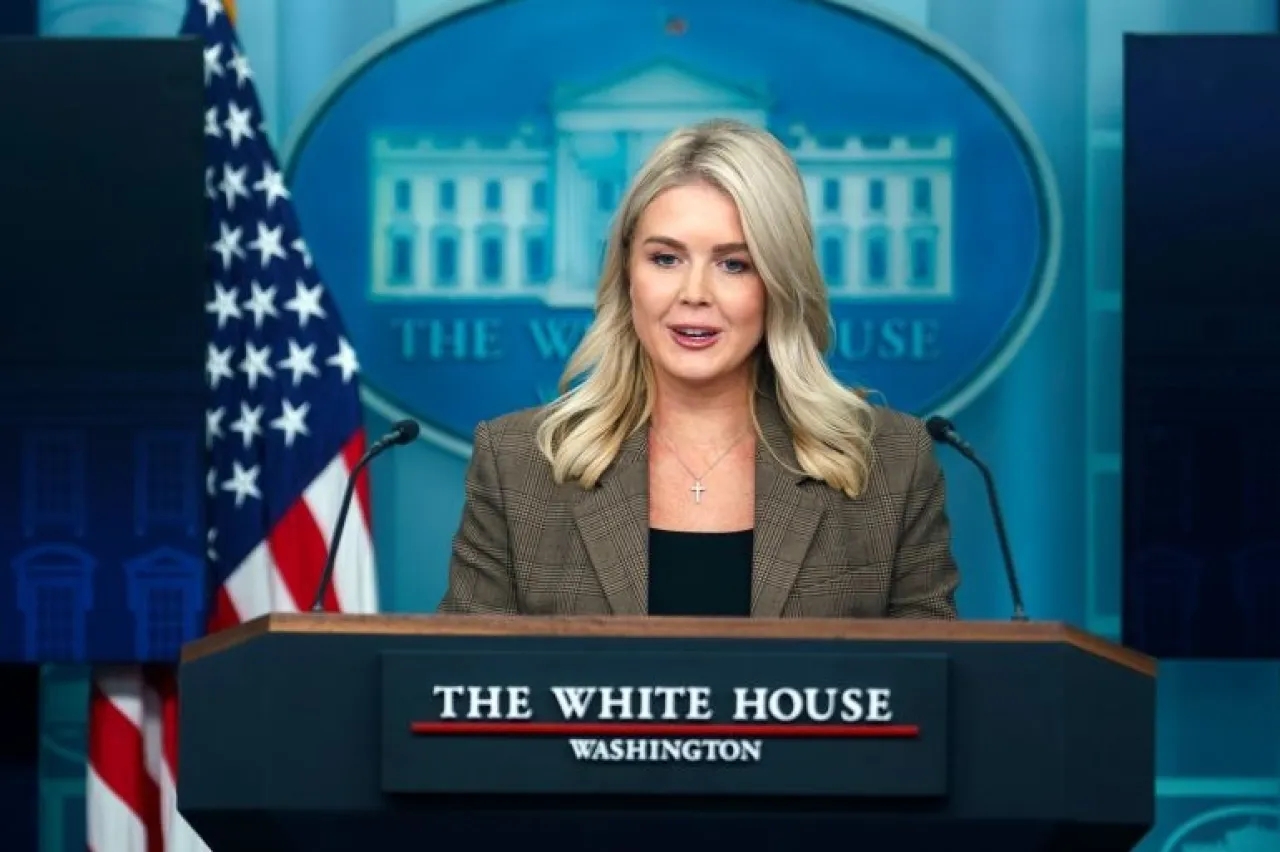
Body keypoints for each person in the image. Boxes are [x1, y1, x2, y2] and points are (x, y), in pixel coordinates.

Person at [438, 119, 959, 619]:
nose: (694, 294)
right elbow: (467, 671)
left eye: (734, 264)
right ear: (627, 274)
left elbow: (927, 674)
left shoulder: (892, 463)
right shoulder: (518, 463)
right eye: (666, 259)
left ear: (778, 282)